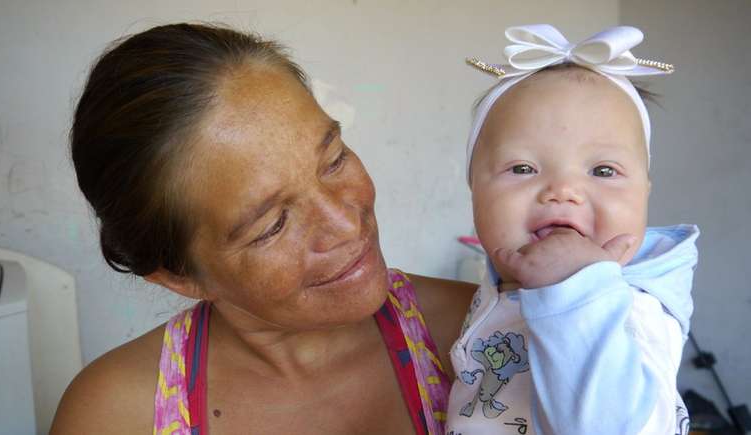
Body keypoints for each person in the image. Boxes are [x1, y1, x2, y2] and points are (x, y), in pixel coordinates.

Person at [50, 23, 477, 435]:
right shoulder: (115, 416)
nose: (346, 225)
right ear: (180, 277)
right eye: (273, 226)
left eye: (334, 160)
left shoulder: (478, 337)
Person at [445, 25, 698, 435]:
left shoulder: (626, 308)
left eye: (603, 170)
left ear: (645, 192)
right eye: (523, 168)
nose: (563, 191)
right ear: (474, 186)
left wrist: (576, 289)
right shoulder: (500, 289)